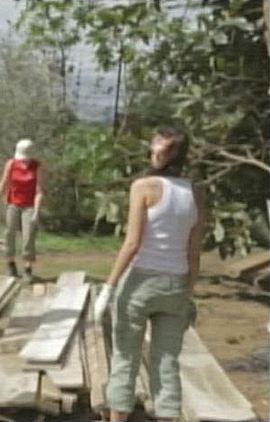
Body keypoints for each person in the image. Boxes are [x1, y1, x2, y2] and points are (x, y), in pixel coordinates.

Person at [93, 127, 206, 422]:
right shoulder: (197, 192)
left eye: (160, 148)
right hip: (176, 284)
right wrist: (188, 292)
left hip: (140, 283)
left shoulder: (143, 187)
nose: (153, 151)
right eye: (153, 145)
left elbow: (132, 243)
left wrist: (108, 287)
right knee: (166, 363)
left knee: (125, 359)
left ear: (171, 154)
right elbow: (194, 252)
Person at [0, 139, 43, 281]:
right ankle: (10, 264)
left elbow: (39, 191)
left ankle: (27, 268)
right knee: (9, 233)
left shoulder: (37, 166)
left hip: (29, 206)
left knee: (28, 236)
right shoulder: (11, 164)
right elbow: (3, 183)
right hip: (13, 203)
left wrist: (36, 211)